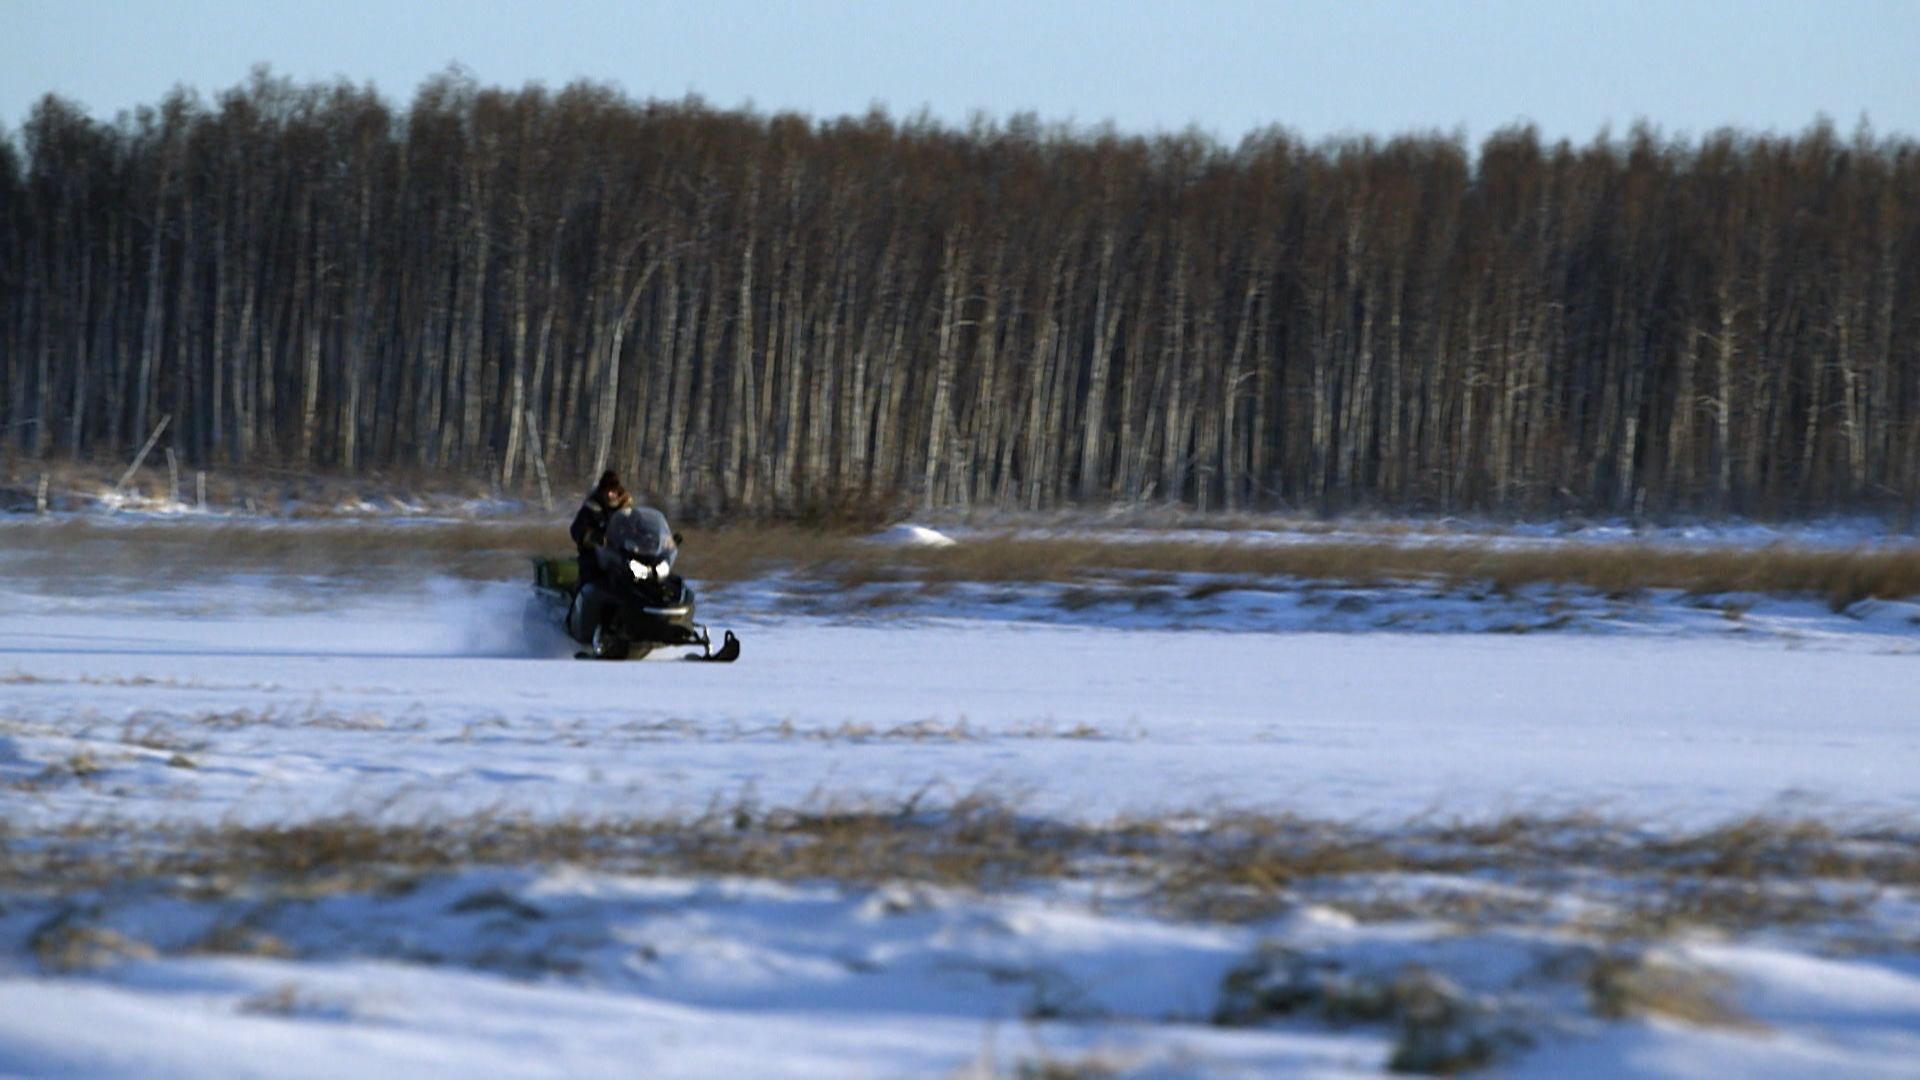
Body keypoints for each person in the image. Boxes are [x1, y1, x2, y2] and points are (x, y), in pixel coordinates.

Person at [569, 470, 633, 587]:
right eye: (607, 491)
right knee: (589, 576)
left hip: (622, 554)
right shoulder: (591, 507)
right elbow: (576, 529)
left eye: (613, 491)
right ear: (602, 491)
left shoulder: (627, 511)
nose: (610, 495)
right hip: (595, 554)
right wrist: (589, 536)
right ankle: (580, 600)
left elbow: (638, 527)